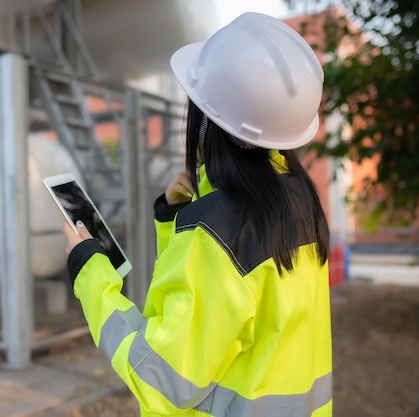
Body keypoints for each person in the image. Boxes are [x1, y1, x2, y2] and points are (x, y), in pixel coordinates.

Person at [62, 12, 332, 417]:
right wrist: (177, 217)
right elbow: (213, 300)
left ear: (207, 123)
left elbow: (160, 378)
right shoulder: (297, 199)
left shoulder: (219, 233)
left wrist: (90, 271)